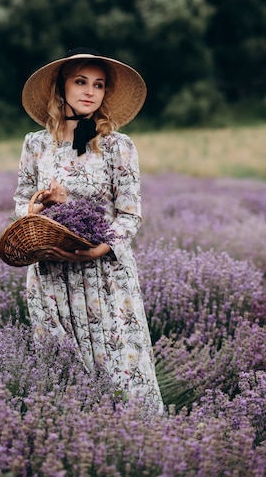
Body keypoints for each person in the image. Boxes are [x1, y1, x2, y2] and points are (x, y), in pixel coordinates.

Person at [13, 47, 163, 411]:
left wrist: (100, 248)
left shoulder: (117, 146)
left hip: (105, 276)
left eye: (98, 84)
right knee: (62, 370)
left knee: (120, 369)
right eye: (80, 81)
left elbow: (130, 215)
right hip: (52, 274)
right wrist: (43, 204)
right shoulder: (36, 144)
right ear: (60, 87)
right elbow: (21, 205)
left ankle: (138, 448)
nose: (90, 91)